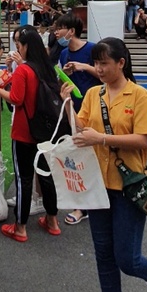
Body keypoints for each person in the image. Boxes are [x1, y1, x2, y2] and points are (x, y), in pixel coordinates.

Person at [69, 37, 147, 292]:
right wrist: (68, 108)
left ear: (121, 63)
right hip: (97, 186)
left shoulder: (139, 96)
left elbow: (142, 140)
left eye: (104, 64)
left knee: (127, 258)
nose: (98, 69)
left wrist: (102, 137)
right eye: (96, 63)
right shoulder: (91, 94)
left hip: (129, 187)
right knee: (104, 255)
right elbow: (80, 132)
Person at [0, 26, 62, 241]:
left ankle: (20, 227)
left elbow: (16, 98)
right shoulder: (47, 68)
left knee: (24, 178)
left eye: (19, 45)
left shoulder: (24, 70)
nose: (18, 49)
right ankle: (52, 220)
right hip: (46, 132)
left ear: (26, 47)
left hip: (24, 132)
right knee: (46, 175)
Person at [52, 12, 100, 226]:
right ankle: (82, 205)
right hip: (72, 109)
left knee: (94, 155)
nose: (56, 32)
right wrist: (66, 74)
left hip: (93, 110)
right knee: (78, 156)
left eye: (59, 28)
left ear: (71, 31)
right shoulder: (63, 53)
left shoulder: (92, 50)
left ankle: (92, 203)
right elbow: (64, 78)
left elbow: (104, 74)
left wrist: (84, 67)